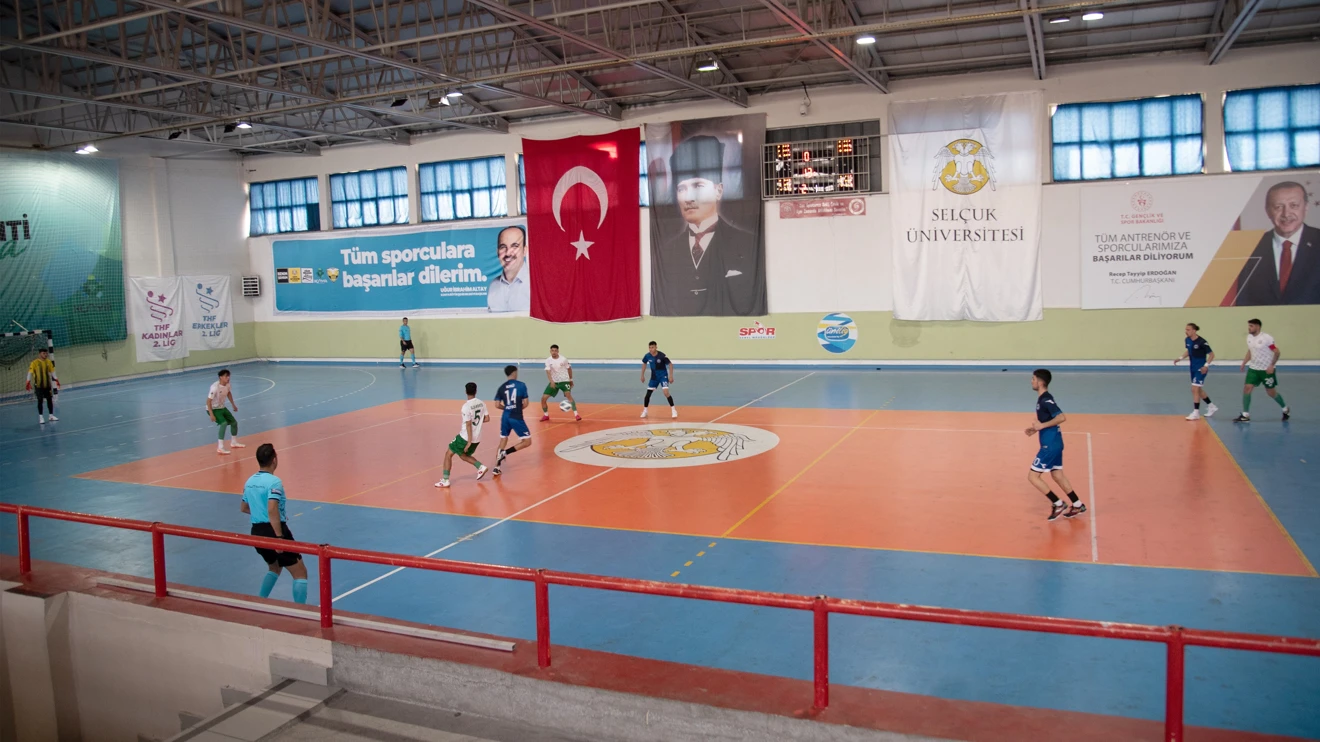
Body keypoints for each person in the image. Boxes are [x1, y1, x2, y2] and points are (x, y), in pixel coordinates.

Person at [652, 135, 766, 317]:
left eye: (698, 186)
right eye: (682, 189)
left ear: (718, 190)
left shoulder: (747, 243)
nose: (688, 197)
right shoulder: (666, 251)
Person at [1229, 181, 1320, 306]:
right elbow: (1243, 300)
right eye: (1278, 207)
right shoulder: (1251, 246)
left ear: (1306, 207)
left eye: (1293, 205)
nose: (1286, 214)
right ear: (1268, 211)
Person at [240, 444, 308, 604]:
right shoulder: (274, 482)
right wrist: (279, 536)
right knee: (300, 573)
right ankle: (301, 611)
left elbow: (244, 507)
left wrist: (261, 514)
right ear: (274, 460)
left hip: (256, 531)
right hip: (275, 531)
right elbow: (272, 508)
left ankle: (260, 602)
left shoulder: (250, 481)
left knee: (275, 567)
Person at [1024, 369, 1086, 522]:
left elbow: (1061, 417)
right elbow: (1047, 422)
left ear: (1040, 382)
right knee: (1057, 475)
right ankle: (1077, 504)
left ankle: (1058, 503)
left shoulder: (1046, 400)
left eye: (1033, 379)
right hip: (1056, 443)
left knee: (1033, 476)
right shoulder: (1043, 399)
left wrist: (1040, 426)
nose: (1031, 381)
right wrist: (1036, 428)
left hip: (1049, 446)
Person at [1234, 319, 1290, 422]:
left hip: (1266, 370)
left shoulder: (1267, 338)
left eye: (1251, 326)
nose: (1249, 328)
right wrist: (1244, 362)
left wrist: (1272, 365)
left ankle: (1285, 409)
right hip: (1254, 369)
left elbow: (1276, 352)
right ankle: (1245, 415)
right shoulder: (1249, 337)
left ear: (1258, 327)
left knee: (1271, 392)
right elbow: (1250, 351)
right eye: (1249, 326)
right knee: (1247, 388)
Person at [436, 382, 489, 488]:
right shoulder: (482, 403)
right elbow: (487, 418)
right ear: (476, 391)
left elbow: (468, 424)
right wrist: (477, 423)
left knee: (448, 454)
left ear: (465, 392)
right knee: (463, 455)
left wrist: (469, 441)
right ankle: (480, 467)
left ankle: (445, 480)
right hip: (478, 438)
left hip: (465, 437)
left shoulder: (466, 406)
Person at [493, 365, 532, 476]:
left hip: (505, 416)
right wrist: (517, 409)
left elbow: (496, 405)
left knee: (503, 440)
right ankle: (505, 453)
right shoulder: (521, 385)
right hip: (516, 416)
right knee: (527, 442)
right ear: (514, 372)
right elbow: (526, 403)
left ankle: (496, 467)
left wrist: (506, 408)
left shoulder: (501, 387)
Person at [1174, 323, 1218, 420]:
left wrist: (1206, 366)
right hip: (1192, 368)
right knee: (1198, 390)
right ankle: (1211, 406)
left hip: (1201, 369)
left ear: (1194, 330)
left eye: (1188, 329)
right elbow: (1188, 351)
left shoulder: (1202, 342)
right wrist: (1180, 358)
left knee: (1194, 389)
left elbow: (1211, 355)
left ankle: (1196, 412)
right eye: (1186, 329)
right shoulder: (1187, 340)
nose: (1186, 331)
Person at [487, 226, 530, 313]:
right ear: (497, 252)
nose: (508, 253)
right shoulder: (493, 286)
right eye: (503, 247)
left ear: (525, 250)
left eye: (515, 246)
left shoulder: (536, 285)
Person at [207, 369, 244, 455]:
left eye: (228, 376)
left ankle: (234, 442)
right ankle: (220, 447)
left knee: (234, 423)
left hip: (222, 407)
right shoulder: (214, 387)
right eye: (226, 376)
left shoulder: (227, 385)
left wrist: (233, 404)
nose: (228, 378)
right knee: (223, 423)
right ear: (221, 377)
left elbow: (228, 393)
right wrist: (211, 414)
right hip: (213, 408)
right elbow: (208, 402)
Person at [540, 344, 580, 422]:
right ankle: (546, 415)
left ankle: (576, 415)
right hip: (554, 382)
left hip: (564, 380)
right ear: (550, 351)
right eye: (552, 350)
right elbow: (548, 372)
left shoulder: (563, 359)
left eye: (555, 350)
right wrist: (551, 382)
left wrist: (571, 380)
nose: (554, 352)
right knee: (543, 399)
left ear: (558, 351)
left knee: (568, 395)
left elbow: (569, 369)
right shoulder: (548, 360)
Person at [640, 341, 677, 419]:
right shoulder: (647, 356)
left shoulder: (662, 356)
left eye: (652, 347)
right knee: (647, 395)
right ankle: (645, 411)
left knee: (666, 392)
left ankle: (673, 410)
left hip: (663, 376)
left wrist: (671, 376)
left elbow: (670, 364)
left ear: (656, 347)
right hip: (654, 377)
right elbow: (644, 363)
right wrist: (642, 375)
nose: (651, 349)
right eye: (649, 347)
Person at [25, 347, 59, 424]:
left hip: (47, 385)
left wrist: (56, 379)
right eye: (44, 353)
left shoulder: (49, 362)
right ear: (40, 354)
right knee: (40, 401)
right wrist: (28, 381)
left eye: (46, 353)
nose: (46, 355)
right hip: (39, 386)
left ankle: (51, 415)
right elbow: (30, 372)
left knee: (50, 400)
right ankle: (41, 417)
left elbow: (52, 372)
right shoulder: (34, 363)